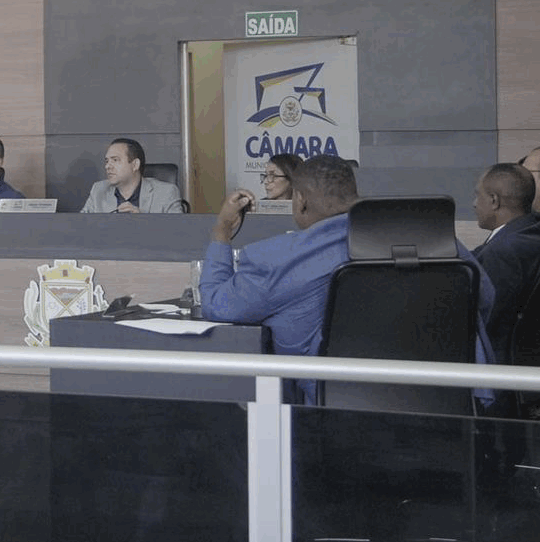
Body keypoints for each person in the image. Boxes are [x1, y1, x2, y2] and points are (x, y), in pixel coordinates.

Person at [200, 155, 495, 401]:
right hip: (452, 406)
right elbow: (484, 297)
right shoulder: (432, 236)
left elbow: (217, 305)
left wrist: (221, 233)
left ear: (300, 201)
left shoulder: (278, 259)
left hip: (336, 418)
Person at [472, 162, 540, 361]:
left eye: (477, 195)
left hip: (495, 360)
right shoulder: (531, 229)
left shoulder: (504, 252)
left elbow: (487, 321)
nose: (474, 203)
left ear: (494, 200)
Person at [79, 138, 184, 213]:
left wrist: (143, 222)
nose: (108, 166)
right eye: (107, 161)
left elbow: (178, 232)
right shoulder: (98, 190)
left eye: (115, 160)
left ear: (135, 165)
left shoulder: (166, 193)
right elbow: (81, 227)